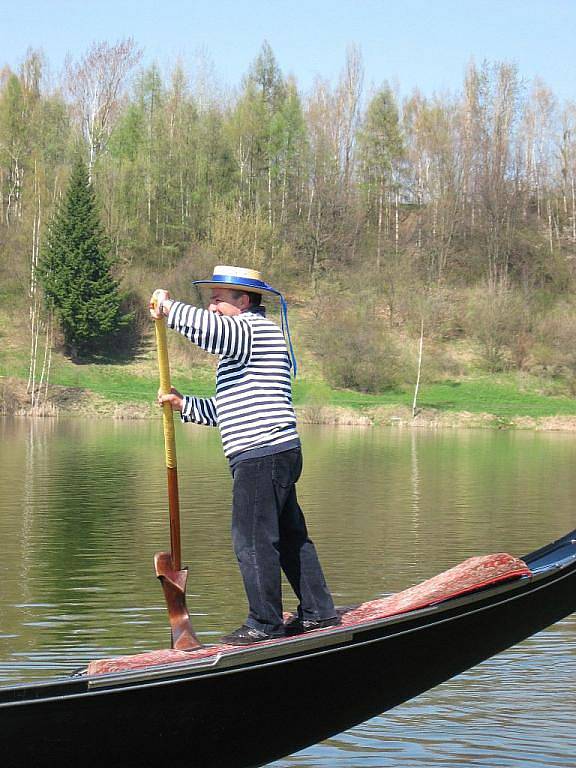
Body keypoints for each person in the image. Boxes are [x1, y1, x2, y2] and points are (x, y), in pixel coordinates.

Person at [149, 266, 339, 645]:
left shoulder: (250, 330)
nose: (213, 305)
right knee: (288, 538)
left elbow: (208, 330)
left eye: (220, 298)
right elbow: (227, 412)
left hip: (261, 454)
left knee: (252, 540)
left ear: (245, 301)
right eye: (211, 298)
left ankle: (264, 623)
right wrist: (184, 404)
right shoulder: (247, 343)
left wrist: (167, 307)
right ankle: (318, 613)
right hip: (274, 451)